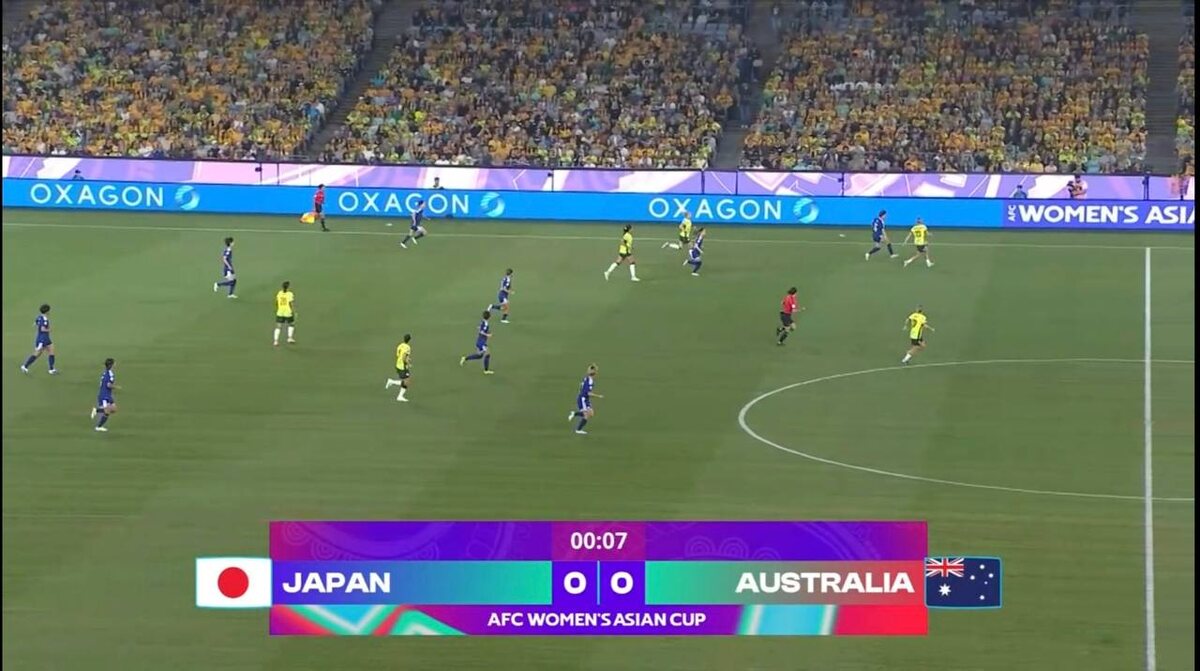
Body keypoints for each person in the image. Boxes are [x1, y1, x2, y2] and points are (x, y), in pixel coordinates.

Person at [21, 304, 57, 374]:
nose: (50, 312)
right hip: (42, 339)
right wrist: (49, 330)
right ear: (47, 311)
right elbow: (42, 329)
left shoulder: (39, 317)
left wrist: (38, 325)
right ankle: (25, 366)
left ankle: (51, 369)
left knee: (51, 351)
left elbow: (35, 323)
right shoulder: (45, 319)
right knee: (37, 354)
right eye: (49, 310)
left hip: (45, 338)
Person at [567, 364, 602, 435]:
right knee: (587, 415)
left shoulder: (586, 377)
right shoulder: (590, 381)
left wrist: (592, 367)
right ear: (595, 374)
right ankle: (578, 430)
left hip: (584, 398)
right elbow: (588, 393)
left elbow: (588, 371)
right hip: (583, 399)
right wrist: (598, 396)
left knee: (591, 413)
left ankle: (574, 414)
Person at [90, 358, 119, 432]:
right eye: (114, 363)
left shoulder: (106, 372)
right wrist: (116, 387)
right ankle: (99, 426)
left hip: (108, 394)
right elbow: (108, 385)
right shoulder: (110, 374)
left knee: (114, 409)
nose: (115, 364)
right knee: (107, 411)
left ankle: (97, 410)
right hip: (104, 395)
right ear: (111, 365)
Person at [384, 334, 413, 402]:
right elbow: (404, 357)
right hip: (402, 366)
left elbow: (398, 355)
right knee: (407, 382)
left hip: (398, 364)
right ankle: (392, 383)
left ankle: (399, 395)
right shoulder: (408, 347)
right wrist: (408, 363)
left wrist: (407, 359)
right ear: (409, 340)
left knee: (406, 381)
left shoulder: (400, 345)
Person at [273, 281, 296, 346]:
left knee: (278, 326)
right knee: (291, 324)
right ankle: (289, 338)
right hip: (288, 312)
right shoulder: (290, 294)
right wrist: (294, 311)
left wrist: (277, 309)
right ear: (288, 287)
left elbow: (276, 302)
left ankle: (275, 341)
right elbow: (291, 303)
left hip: (280, 312)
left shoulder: (279, 293)